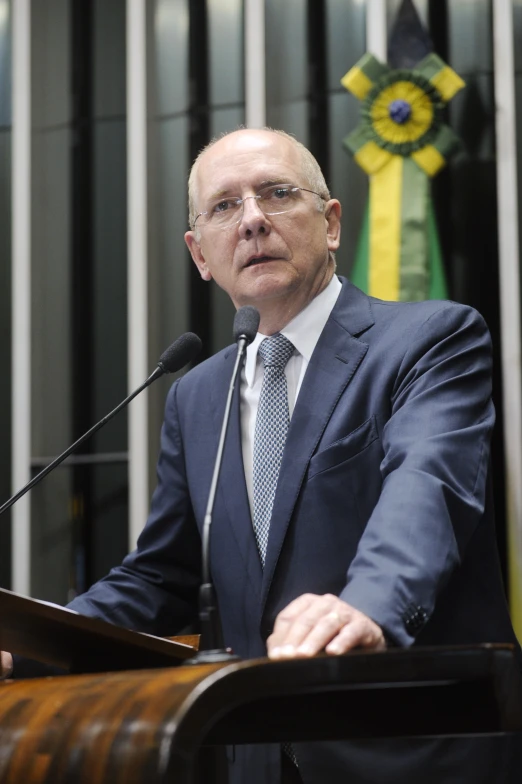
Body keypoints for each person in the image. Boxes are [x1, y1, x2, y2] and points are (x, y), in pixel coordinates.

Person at [1, 128, 521, 782]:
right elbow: (162, 578)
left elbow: (428, 489)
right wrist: (24, 648)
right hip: (254, 752)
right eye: (223, 207)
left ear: (331, 224)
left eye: (277, 194)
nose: (251, 221)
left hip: (410, 747)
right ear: (200, 255)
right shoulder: (196, 394)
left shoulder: (428, 341)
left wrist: (368, 606)